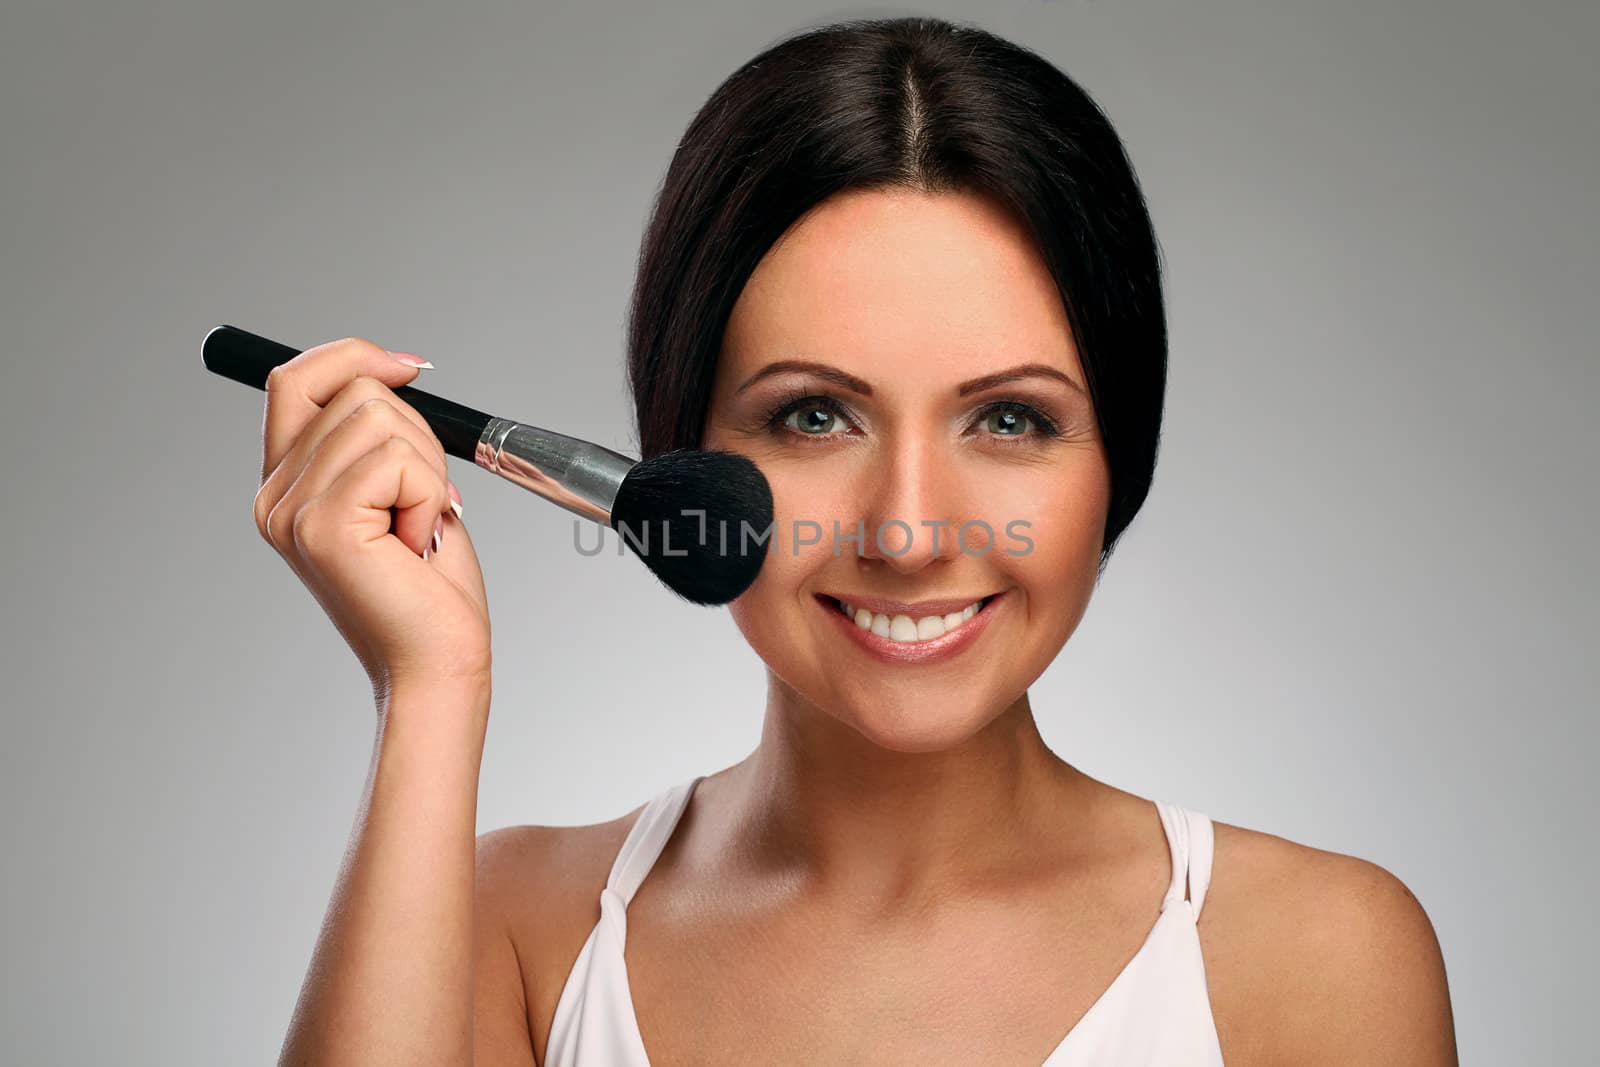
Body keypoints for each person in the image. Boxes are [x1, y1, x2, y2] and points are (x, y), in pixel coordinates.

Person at [258, 15, 1457, 1066]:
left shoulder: (1315, 956)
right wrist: (428, 688)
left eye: (1008, 417)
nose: (907, 529)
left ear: (1116, 457)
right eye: (813, 414)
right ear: (677, 465)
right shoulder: (513, 926)